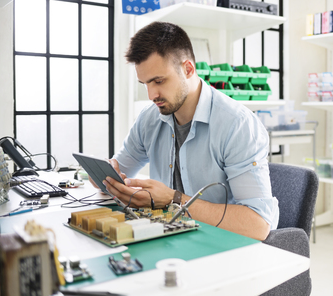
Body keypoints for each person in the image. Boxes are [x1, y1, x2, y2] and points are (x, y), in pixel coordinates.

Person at [100, 21, 278, 241]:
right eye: (145, 83)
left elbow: (258, 225)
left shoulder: (237, 124)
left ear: (188, 69)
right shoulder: (150, 118)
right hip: (171, 239)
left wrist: (173, 199)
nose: (151, 94)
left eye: (159, 81)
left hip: (224, 245)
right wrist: (105, 176)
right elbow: (117, 172)